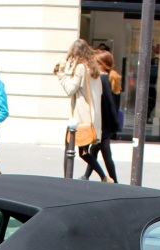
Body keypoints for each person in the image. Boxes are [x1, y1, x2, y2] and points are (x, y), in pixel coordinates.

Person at [55, 39, 105, 179]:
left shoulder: (81, 68)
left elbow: (70, 89)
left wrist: (61, 75)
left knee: (69, 148)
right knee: (83, 151)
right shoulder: (93, 69)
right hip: (91, 117)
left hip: (80, 118)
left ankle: (67, 178)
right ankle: (104, 177)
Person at [94, 49, 121, 182]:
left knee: (104, 153)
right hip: (108, 124)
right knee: (94, 149)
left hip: (104, 124)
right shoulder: (112, 78)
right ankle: (87, 176)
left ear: (101, 64)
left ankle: (113, 180)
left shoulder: (103, 78)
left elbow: (108, 104)